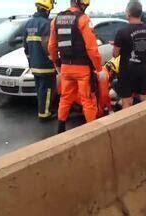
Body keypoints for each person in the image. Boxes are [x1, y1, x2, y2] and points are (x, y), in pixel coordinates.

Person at [48, 0, 102, 133]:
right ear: (79, 3)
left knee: (65, 98)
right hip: (82, 68)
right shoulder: (83, 19)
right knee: (87, 100)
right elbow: (92, 49)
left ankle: (60, 130)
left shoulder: (56, 20)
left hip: (66, 67)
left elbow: (52, 47)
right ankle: (93, 132)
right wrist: (98, 68)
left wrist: (57, 63)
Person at [113, 1, 146, 109]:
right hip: (144, 69)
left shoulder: (122, 32)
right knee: (145, 100)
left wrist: (118, 45)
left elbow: (115, 54)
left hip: (127, 71)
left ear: (128, 13)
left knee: (127, 102)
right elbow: (141, 48)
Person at [24, 0, 57, 121]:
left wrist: (30, 61)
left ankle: (41, 110)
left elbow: (25, 46)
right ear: (47, 9)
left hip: (34, 64)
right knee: (47, 89)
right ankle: (45, 114)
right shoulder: (47, 24)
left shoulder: (29, 23)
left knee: (40, 89)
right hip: (46, 64)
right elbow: (49, 45)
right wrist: (55, 60)